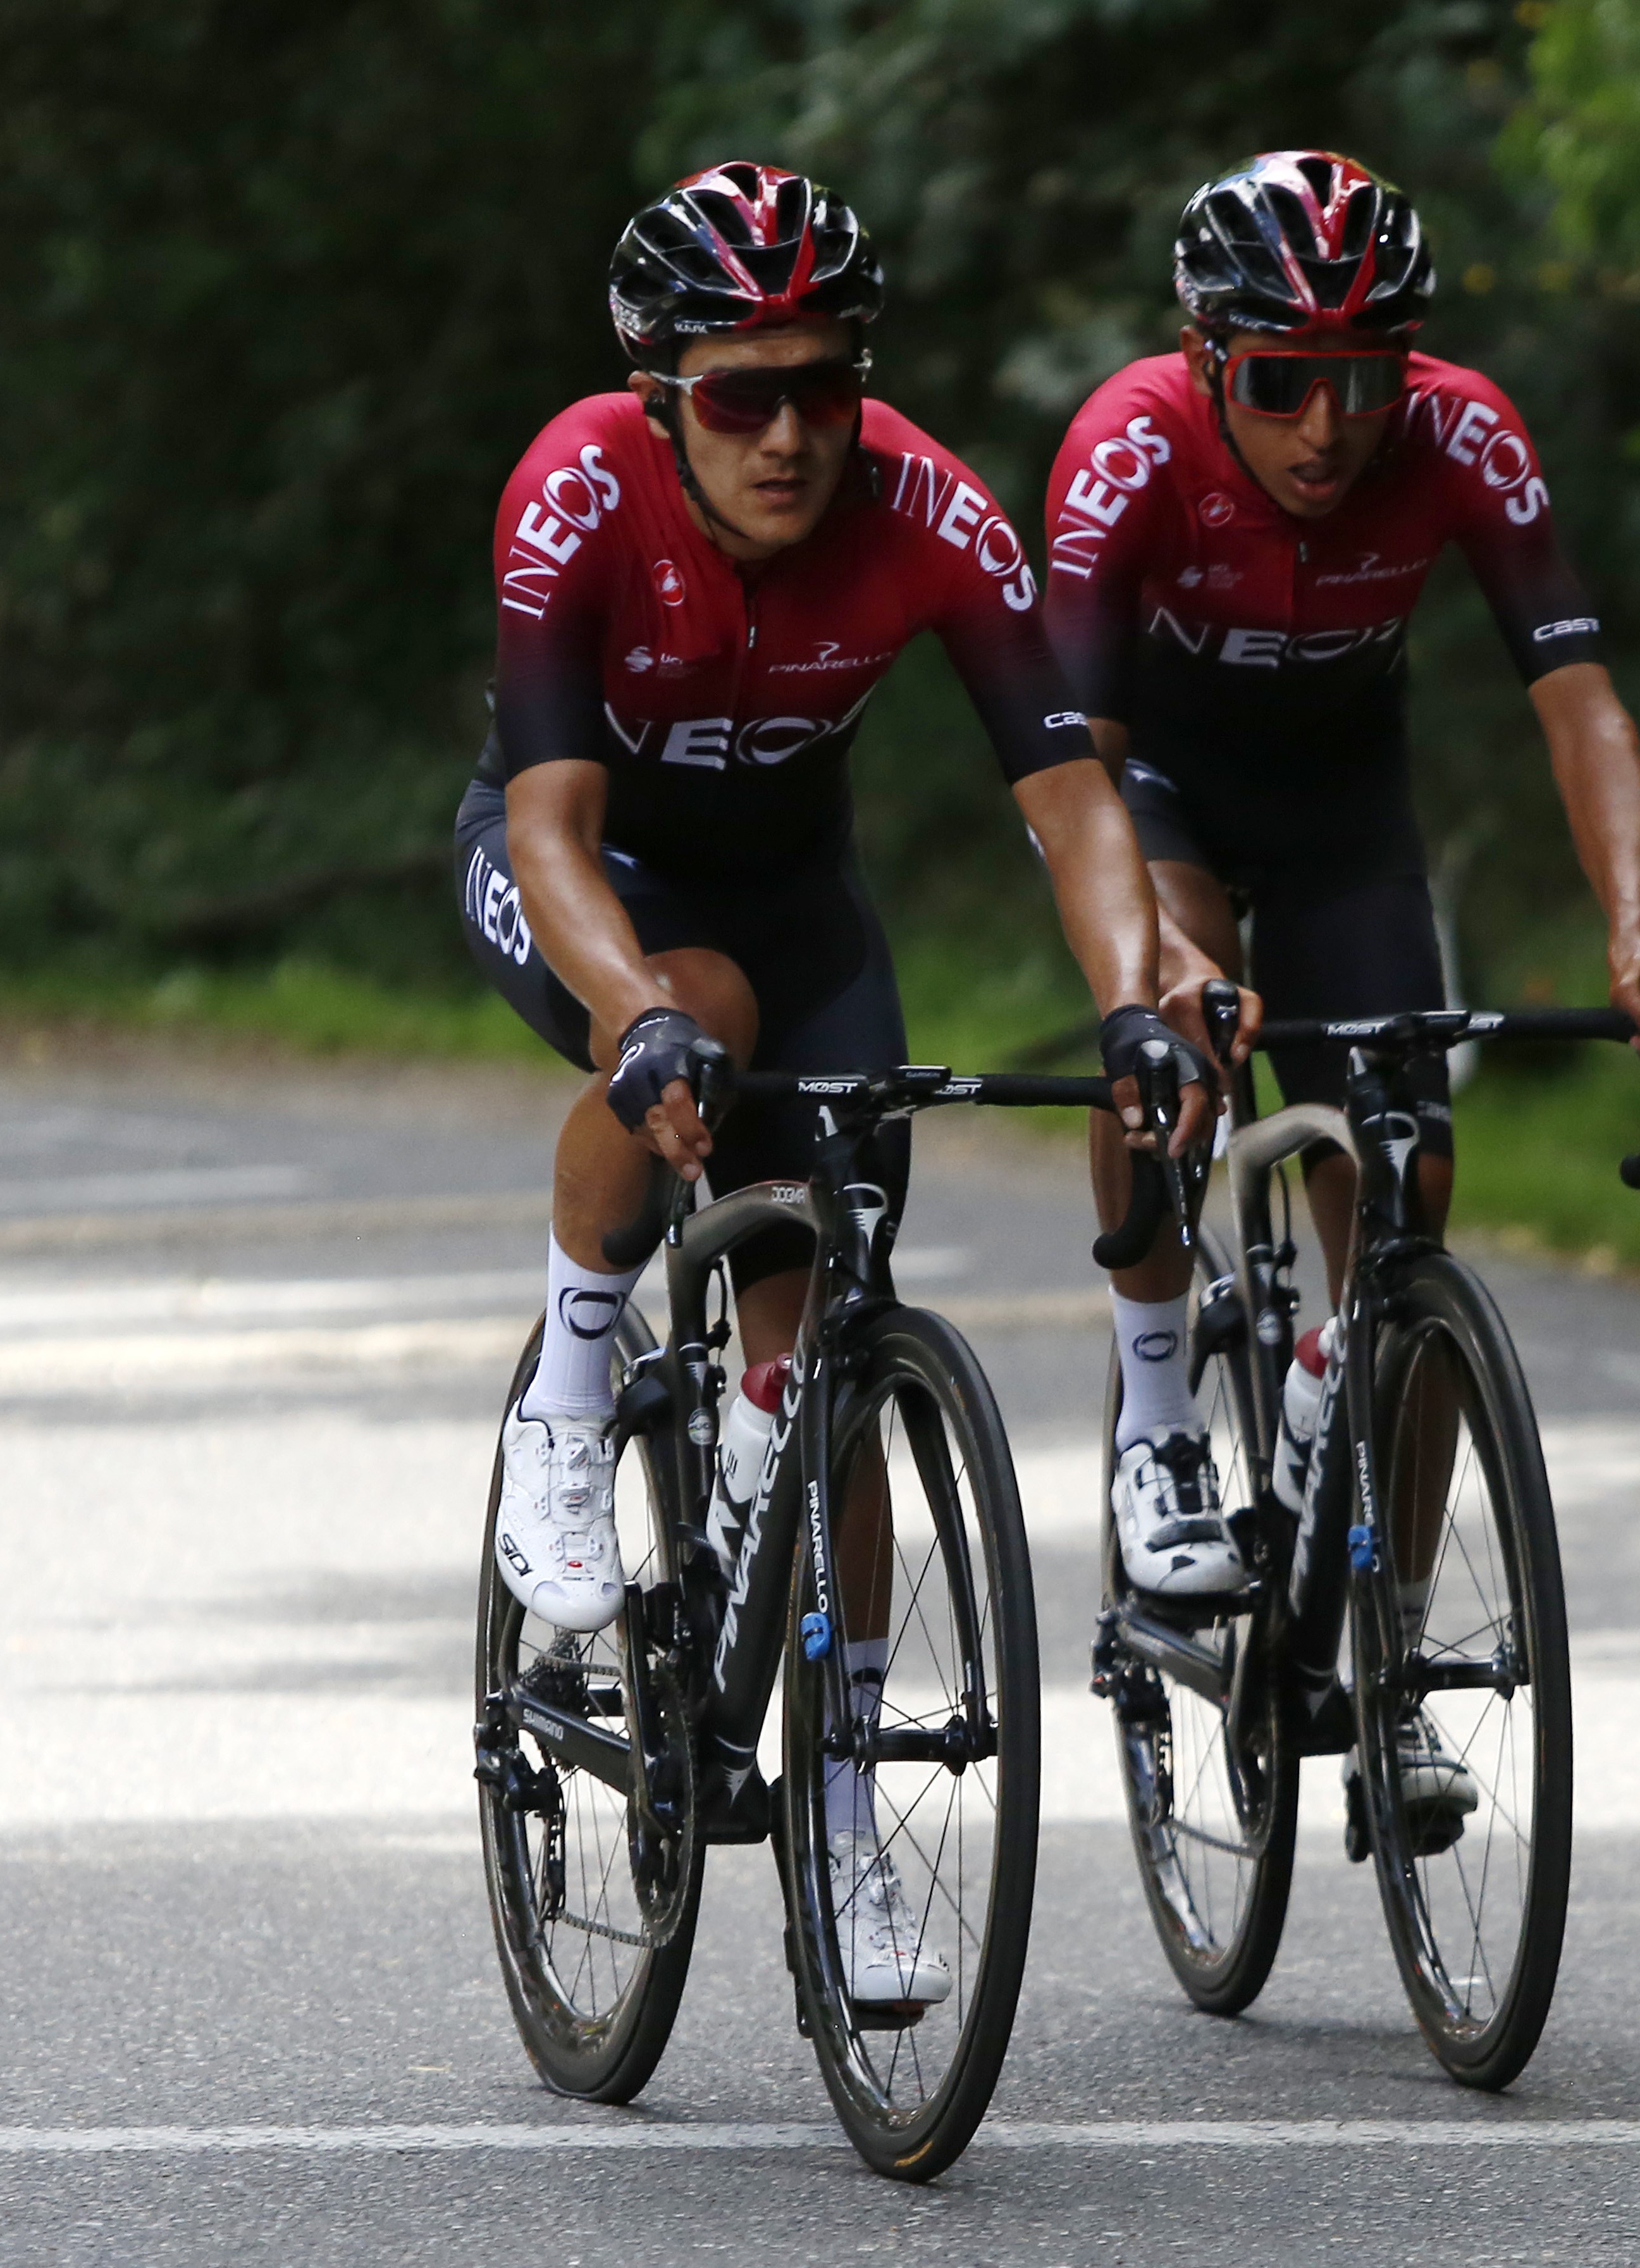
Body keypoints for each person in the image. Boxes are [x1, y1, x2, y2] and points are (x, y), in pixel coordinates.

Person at [459, 161, 1217, 1992]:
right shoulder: (580, 486)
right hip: (590, 879)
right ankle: (568, 1403)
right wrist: (632, 1011)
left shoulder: (933, 509)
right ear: (665, 394)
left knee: (833, 1354)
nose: (793, 433)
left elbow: (1066, 797)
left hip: (808, 909)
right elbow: (555, 818)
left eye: (827, 383)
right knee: (694, 1004)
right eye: (744, 393)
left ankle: (845, 1817)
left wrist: (1132, 998)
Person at [1044, 151, 1640, 1657]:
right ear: (1207, 354)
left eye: (1368, 380)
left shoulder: (1464, 430)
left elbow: (1580, 701)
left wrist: (1635, 933)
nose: (1329, 425)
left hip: (1345, 808)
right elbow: (1074, 768)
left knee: (1407, 1205)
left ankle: (1396, 1649)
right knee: (1170, 1032)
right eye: (1284, 380)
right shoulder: (1125, 446)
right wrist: (1146, 966)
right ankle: (1158, 1407)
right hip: (1159, 791)